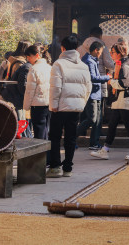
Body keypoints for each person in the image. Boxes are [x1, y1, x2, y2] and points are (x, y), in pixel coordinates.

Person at [47, 34, 91, 178]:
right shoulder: (84, 66)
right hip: (76, 107)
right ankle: (67, 168)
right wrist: (82, 103)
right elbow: (88, 87)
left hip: (60, 107)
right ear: (77, 48)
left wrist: (53, 104)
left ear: (63, 48)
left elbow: (55, 87)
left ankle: (54, 167)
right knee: (71, 137)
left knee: (54, 136)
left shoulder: (58, 64)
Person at [91, 43, 129, 161]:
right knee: (112, 125)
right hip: (119, 100)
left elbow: (124, 84)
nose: (111, 54)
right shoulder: (120, 65)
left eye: (113, 52)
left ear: (119, 53)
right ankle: (105, 149)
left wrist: (111, 81)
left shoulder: (125, 67)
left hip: (124, 100)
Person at [78, 41, 110, 150]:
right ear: (96, 50)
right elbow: (93, 78)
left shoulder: (92, 60)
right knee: (92, 119)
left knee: (98, 120)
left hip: (96, 93)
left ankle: (94, 143)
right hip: (91, 94)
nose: (100, 54)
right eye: (100, 52)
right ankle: (72, 136)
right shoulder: (89, 61)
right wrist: (106, 77)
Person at [23, 43, 52, 140]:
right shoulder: (50, 68)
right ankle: (48, 155)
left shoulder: (34, 69)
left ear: (36, 55)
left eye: (29, 56)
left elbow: (29, 91)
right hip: (49, 104)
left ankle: (40, 154)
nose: (28, 59)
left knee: (39, 134)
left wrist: (26, 106)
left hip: (37, 105)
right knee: (46, 131)